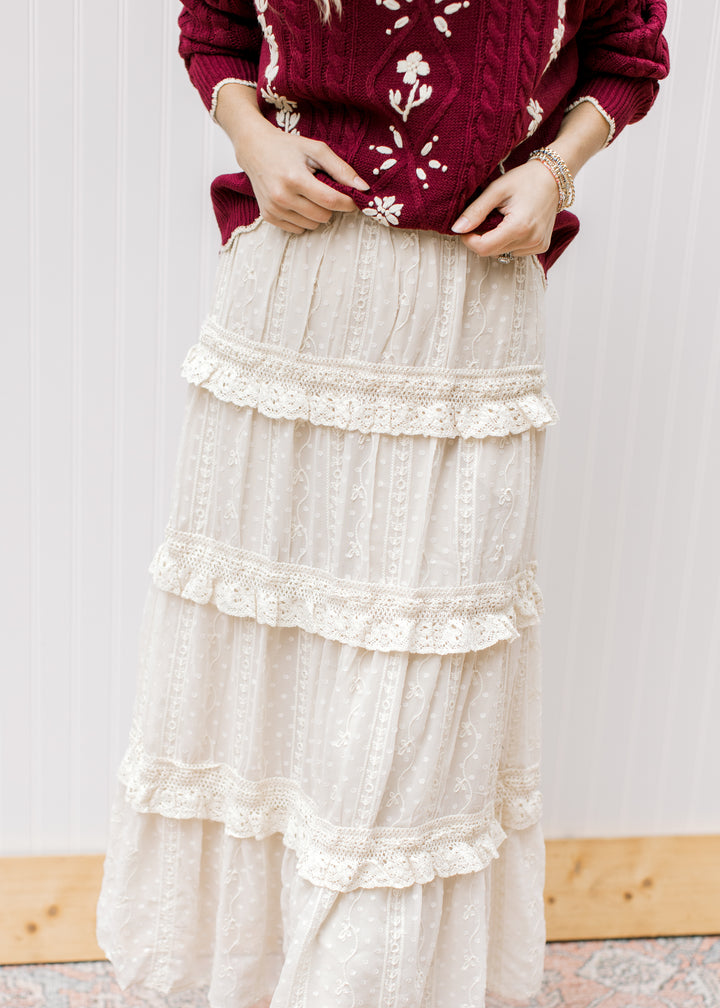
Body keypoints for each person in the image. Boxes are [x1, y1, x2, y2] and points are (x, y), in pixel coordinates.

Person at [96, 1, 670, 1005]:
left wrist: (554, 170)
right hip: (295, 297)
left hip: (469, 311)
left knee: (423, 708)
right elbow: (214, 28)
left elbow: (628, 53)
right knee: (262, 690)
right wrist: (253, 138)